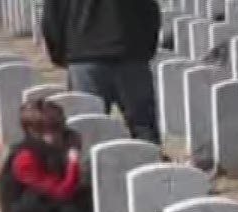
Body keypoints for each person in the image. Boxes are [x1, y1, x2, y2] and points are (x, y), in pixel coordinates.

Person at [40, 0, 161, 143]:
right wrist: (145, 50)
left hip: (85, 55)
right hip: (129, 54)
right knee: (143, 126)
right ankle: (150, 160)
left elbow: (52, 18)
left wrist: (60, 55)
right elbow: (150, 13)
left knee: (88, 128)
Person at [0, 100, 92, 212]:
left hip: (50, 205)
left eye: (60, 126)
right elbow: (61, 192)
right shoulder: (25, 158)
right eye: (51, 128)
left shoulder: (50, 149)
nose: (59, 134)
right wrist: (73, 161)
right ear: (32, 131)